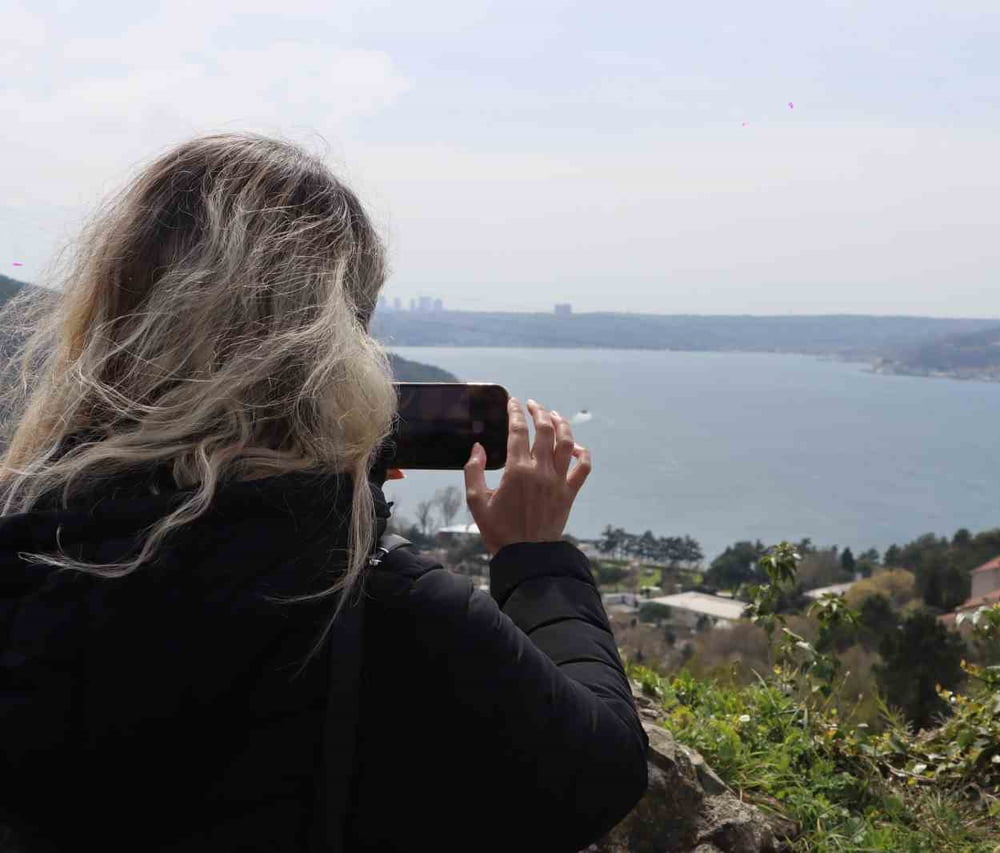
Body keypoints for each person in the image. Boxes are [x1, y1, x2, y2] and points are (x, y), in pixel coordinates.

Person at [0, 134, 647, 851]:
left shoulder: (24, 540)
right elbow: (602, 770)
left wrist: (335, 491)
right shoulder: (368, 601)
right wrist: (535, 561)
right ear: (337, 348)